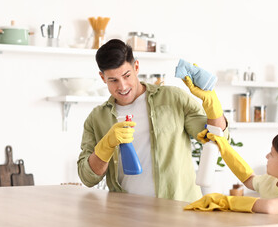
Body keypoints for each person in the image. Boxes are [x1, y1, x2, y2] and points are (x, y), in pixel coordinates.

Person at [77, 39, 228, 202]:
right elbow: (88, 178)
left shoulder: (173, 98)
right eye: (113, 80)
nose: (122, 86)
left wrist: (212, 103)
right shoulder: (97, 118)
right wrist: (105, 146)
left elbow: (216, 140)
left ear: (136, 67)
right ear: (102, 77)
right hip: (124, 215)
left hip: (177, 213)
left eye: (126, 75)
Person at [184, 129, 278, 219]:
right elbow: (248, 178)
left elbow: (270, 207)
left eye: (272, 154)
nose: (267, 156)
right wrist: (224, 147)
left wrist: (226, 201)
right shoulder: (271, 181)